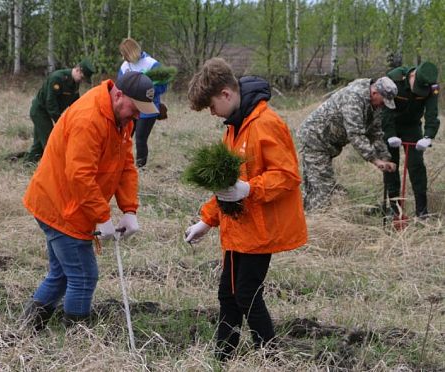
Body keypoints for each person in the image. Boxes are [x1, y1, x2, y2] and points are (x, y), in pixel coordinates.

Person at [185, 58, 307, 361]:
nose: (212, 113)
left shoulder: (267, 123)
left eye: (212, 106)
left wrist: (251, 188)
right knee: (228, 295)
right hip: (237, 228)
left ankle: (272, 359)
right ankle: (222, 357)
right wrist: (207, 220)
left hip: (260, 229)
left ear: (226, 94)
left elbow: (288, 175)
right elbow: (227, 186)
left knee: (247, 295)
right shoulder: (234, 126)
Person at [20, 71, 158, 330]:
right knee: (83, 276)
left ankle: (28, 328)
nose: (138, 115)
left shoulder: (122, 118)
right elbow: (80, 175)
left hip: (71, 203)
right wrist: (102, 216)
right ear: (119, 95)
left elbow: (125, 164)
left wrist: (129, 209)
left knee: (62, 274)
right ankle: (77, 339)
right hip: (60, 205)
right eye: (136, 108)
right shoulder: (89, 119)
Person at [297, 77, 398, 212]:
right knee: (323, 187)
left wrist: (385, 157)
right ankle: (317, 223)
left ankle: (303, 219)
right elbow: (355, 133)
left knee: (315, 185)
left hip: (327, 144)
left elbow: (375, 133)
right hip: (315, 139)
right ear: (375, 93)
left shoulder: (374, 105)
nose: (383, 105)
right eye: (383, 101)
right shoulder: (353, 98)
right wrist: (375, 160)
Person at [383, 61, 440, 218]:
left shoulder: (432, 87)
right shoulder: (394, 78)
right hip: (392, 124)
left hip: (412, 126)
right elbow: (385, 109)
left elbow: (432, 113)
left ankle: (422, 211)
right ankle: (395, 209)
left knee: (416, 166)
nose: (418, 92)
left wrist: (428, 135)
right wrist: (389, 134)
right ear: (412, 75)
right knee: (391, 165)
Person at [24, 59, 95, 163]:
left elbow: (75, 103)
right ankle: (53, 167)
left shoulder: (75, 83)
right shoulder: (57, 78)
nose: (82, 81)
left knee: (38, 144)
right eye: (82, 77)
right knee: (51, 140)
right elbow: (50, 103)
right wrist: (60, 122)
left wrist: (83, 115)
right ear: (78, 70)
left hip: (49, 112)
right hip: (40, 111)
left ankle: (28, 163)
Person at [118, 38, 168, 168]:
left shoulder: (152, 64)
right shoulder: (125, 66)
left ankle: (141, 167)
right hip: (129, 109)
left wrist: (145, 92)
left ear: (131, 52)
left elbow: (163, 86)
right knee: (125, 138)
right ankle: (123, 163)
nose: (123, 57)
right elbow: (119, 86)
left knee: (140, 139)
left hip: (147, 110)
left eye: (124, 54)